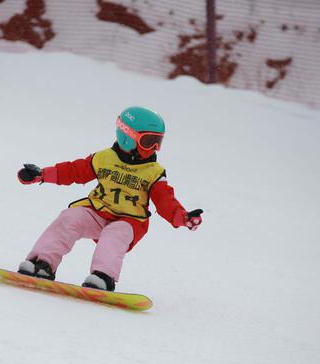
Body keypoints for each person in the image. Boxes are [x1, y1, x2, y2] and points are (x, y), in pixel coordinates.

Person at [16, 106, 202, 291]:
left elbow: (165, 201)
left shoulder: (154, 172)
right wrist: (41, 175)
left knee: (116, 234)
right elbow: (73, 171)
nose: (154, 148)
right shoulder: (104, 158)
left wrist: (183, 217)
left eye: (157, 142)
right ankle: (42, 262)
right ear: (127, 137)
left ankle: (103, 276)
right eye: (148, 141)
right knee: (70, 217)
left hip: (129, 220)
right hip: (96, 212)